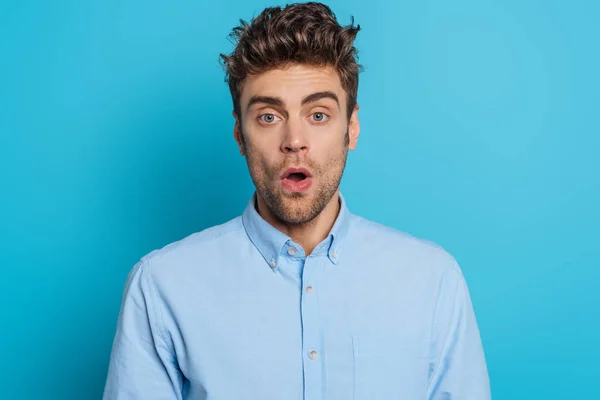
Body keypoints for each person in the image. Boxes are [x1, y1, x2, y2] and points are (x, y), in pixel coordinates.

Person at [102, 2, 491, 399]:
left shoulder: (432, 281)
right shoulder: (161, 286)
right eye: (269, 116)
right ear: (240, 136)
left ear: (351, 127)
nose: (294, 141)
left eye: (318, 115)